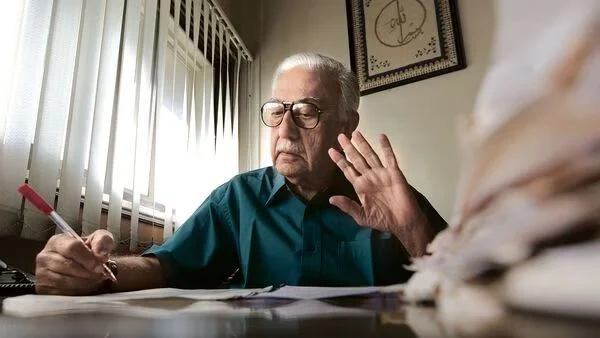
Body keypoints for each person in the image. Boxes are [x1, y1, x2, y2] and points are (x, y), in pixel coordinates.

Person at [34, 53, 446, 295]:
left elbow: (478, 291)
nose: (284, 130)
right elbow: (168, 266)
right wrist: (99, 271)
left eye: (306, 112)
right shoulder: (239, 198)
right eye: (276, 112)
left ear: (346, 124)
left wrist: (412, 230)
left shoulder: (392, 199)